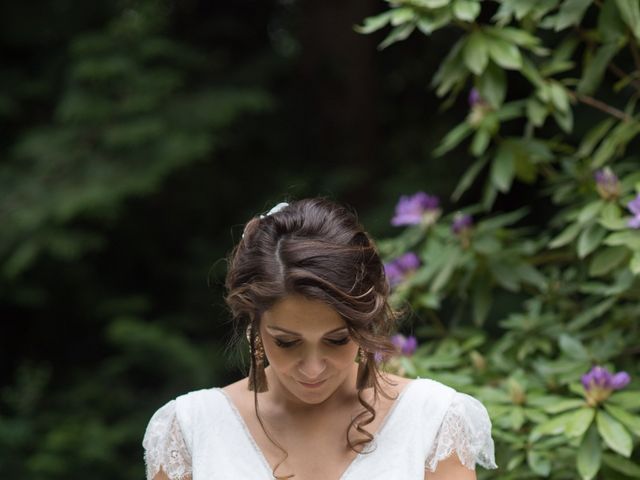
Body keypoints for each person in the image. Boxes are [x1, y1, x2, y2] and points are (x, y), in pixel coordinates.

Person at [142, 198, 497, 480]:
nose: (312, 369)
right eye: (286, 342)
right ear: (255, 324)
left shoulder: (432, 419)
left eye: (337, 340)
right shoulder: (190, 429)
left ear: (366, 323)